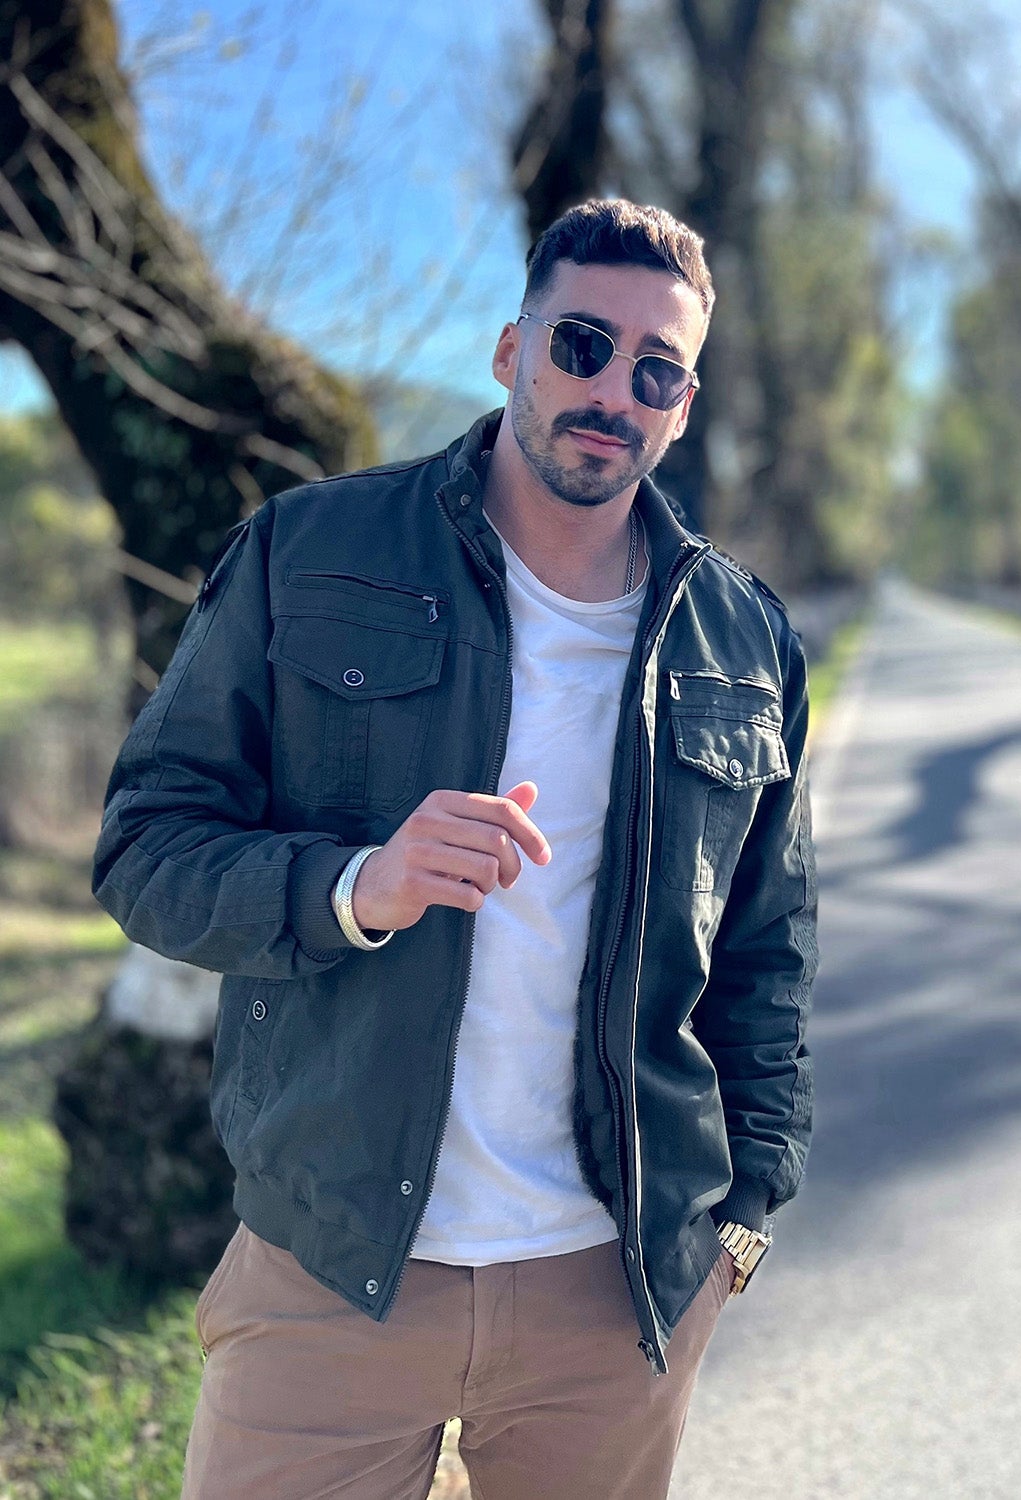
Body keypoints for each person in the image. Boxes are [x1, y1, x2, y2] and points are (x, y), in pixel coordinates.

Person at [92, 198, 817, 1500]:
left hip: (611, 1295)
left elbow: (767, 958)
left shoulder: (743, 637)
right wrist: (354, 886)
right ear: (510, 350)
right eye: (582, 344)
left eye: (656, 370)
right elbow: (146, 846)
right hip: (329, 1264)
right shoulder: (309, 552)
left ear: (683, 406)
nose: (613, 390)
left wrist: (743, 1228)